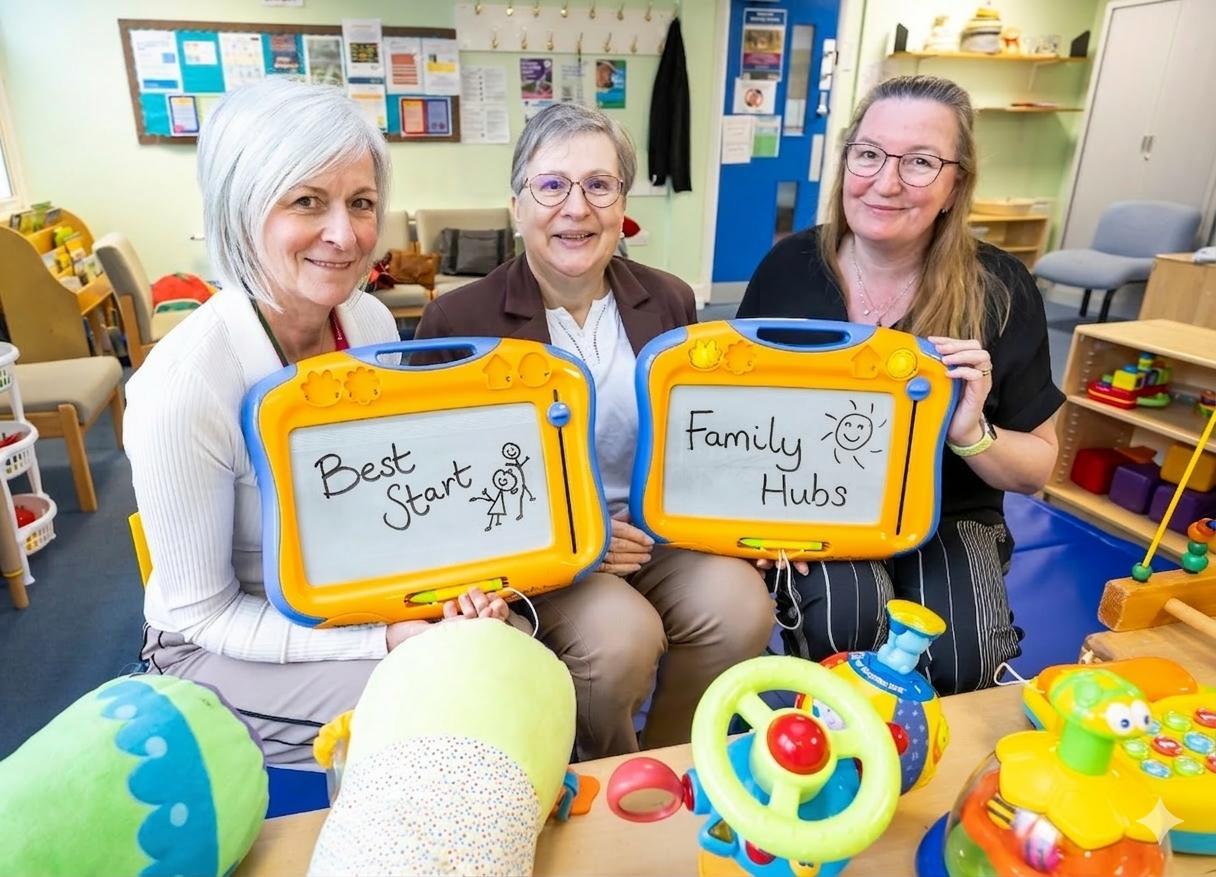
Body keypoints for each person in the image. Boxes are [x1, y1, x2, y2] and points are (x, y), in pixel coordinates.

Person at [124, 80, 508, 765]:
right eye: (307, 201)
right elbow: (201, 615)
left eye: (361, 204)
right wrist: (384, 641)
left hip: (352, 599)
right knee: (449, 715)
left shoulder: (369, 321)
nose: (345, 234)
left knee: (507, 666)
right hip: (218, 647)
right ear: (243, 209)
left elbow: (390, 496)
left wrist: (447, 601)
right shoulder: (184, 387)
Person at [414, 102, 774, 759]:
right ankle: (608, 773)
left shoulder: (668, 299)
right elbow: (450, 492)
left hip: (656, 530)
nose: (576, 207)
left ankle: (676, 761)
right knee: (620, 638)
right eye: (552, 185)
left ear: (621, 204)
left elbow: (701, 438)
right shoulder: (455, 319)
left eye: (599, 185)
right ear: (518, 205)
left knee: (743, 605)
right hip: (542, 549)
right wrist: (584, 541)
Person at [737, 75, 1064, 695]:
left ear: (954, 185)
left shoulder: (1000, 289)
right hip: (814, 510)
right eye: (869, 154)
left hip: (952, 513)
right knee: (842, 628)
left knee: (964, 657)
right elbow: (740, 430)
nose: (886, 182)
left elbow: (1035, 470)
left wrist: (971, 431)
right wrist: (752, 529)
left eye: (919, 163)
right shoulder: (787, 269)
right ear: (846, 162)